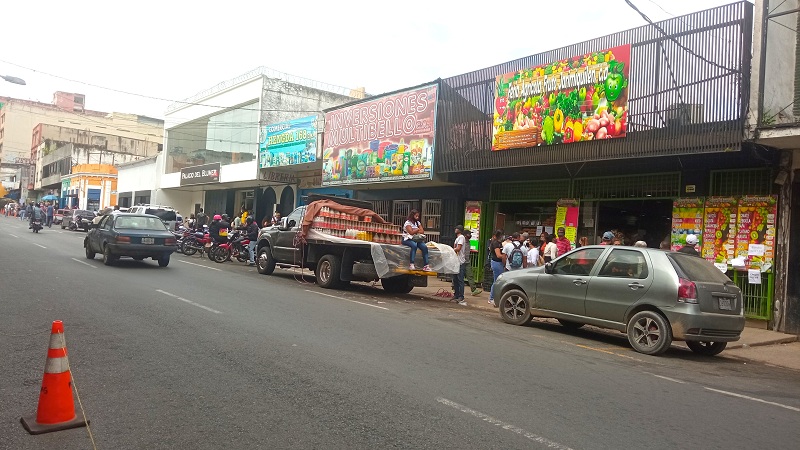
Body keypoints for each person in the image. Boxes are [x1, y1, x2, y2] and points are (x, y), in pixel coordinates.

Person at [452, 225, 468, 306]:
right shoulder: (458, 238)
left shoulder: (461, 237)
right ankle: (456, 294)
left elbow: (458, 248)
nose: (455, 229)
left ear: (460, 230)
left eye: (457, 228)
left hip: (460, 261)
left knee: (460, 280)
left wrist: (451, 250)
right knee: (455, 279)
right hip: (456, 261)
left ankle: (461, 296)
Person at [488, 230, 505, 307]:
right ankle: (491, 298)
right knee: (496, 281)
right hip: (497, 263)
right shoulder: (496, 243)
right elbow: (498, 255)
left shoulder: (498, 243)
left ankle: (493, 298)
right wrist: (505, 256)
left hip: (498, 263)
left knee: (497, 280)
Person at [462, 230, 482, 296]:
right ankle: (454, 288)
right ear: (465, 235)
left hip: (467, 261)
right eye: (469, 234)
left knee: (470, 275)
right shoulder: (462, 242)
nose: (470, 235)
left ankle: (474, 290)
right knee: (458, 276)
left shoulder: (469, 242)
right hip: (461, 261)